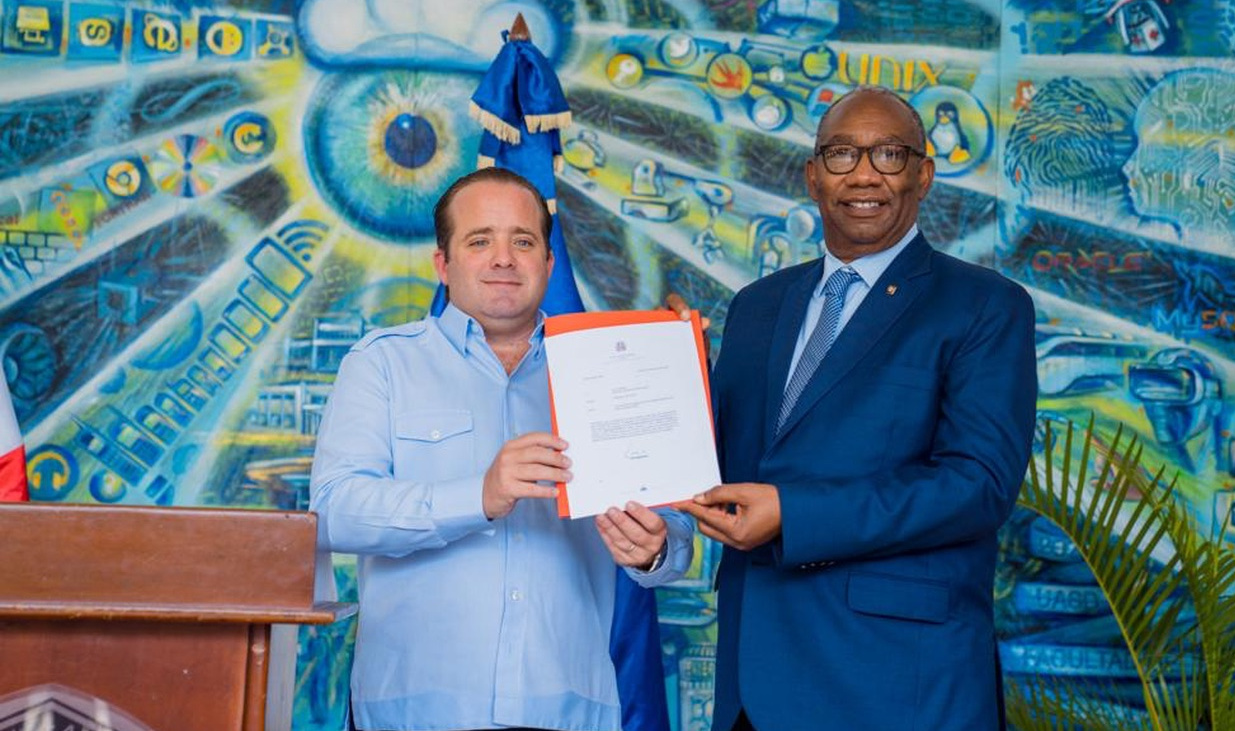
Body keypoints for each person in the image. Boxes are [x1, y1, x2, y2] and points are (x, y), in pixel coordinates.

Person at [682, 86, 1038, 731]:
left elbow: (977, 486)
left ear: (923, 175)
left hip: (893, 685)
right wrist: (669, 372)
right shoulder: (756, 306)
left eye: (889, 154)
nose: (865, 174)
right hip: (751, 683)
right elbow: (723, 464)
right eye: (842, 154)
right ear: (813, 176)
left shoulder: (985, 305)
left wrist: (794, 514)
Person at [310, 167, 695, 731]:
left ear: (549, 263)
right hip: (416, 712)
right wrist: (478, 495)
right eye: (479, 241)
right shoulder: (382, 364)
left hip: (569, 710)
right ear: (443, 264)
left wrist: (655, 550)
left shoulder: (610, 367)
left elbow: (675, 534)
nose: (503, 259)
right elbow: (332, 514)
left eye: (523, 241)